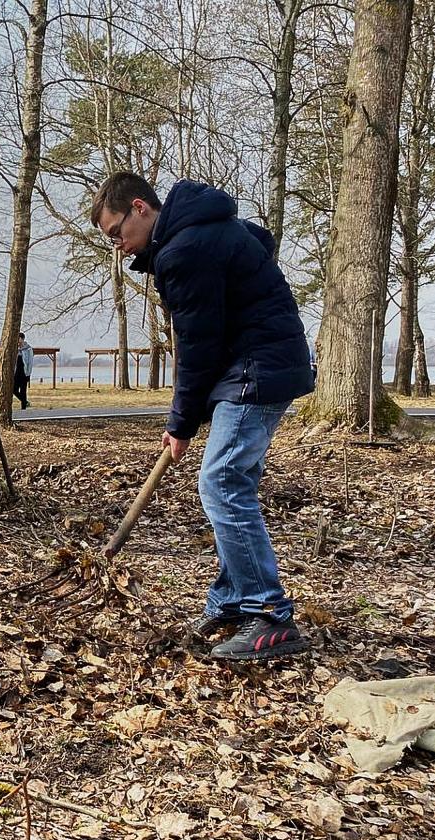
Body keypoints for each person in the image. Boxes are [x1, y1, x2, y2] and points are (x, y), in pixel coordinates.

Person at [90, 173, 315, 661]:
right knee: (230, 481)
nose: (120, 247)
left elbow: (197, 347)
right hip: (261, 363)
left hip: (257, 368)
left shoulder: (185, 250)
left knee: (222, 482)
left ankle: (269, 616)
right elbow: (260, 240)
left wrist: (182, 423)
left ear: (140, 208)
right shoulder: (206, 228)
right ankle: (232, 602)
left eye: (117, 234)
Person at [13, 332, 33, 410]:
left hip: (24, 373)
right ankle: (25, 401)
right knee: (14, 389)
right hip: (16, 373)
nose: (17, 341)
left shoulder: (28, 349)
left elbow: (30, 362)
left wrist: (28, 374)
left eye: (18, 339)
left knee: (23, 391)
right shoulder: (15, 349)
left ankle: (23, 408)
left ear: (22, 339)